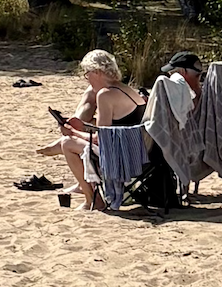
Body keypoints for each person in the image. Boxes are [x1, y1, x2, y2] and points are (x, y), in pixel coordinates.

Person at [35, 49, 145, 197]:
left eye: (87, 73)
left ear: (97, 71)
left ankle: (92, 198)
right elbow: (110, 130)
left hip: (123, 158)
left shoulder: (105, 95)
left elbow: (101, 140)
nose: (86, 78)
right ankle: (84, 186)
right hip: (138, 153)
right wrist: (82, 128)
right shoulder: (126, 89)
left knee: (68, 143)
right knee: (76, 137)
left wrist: (73, 133)